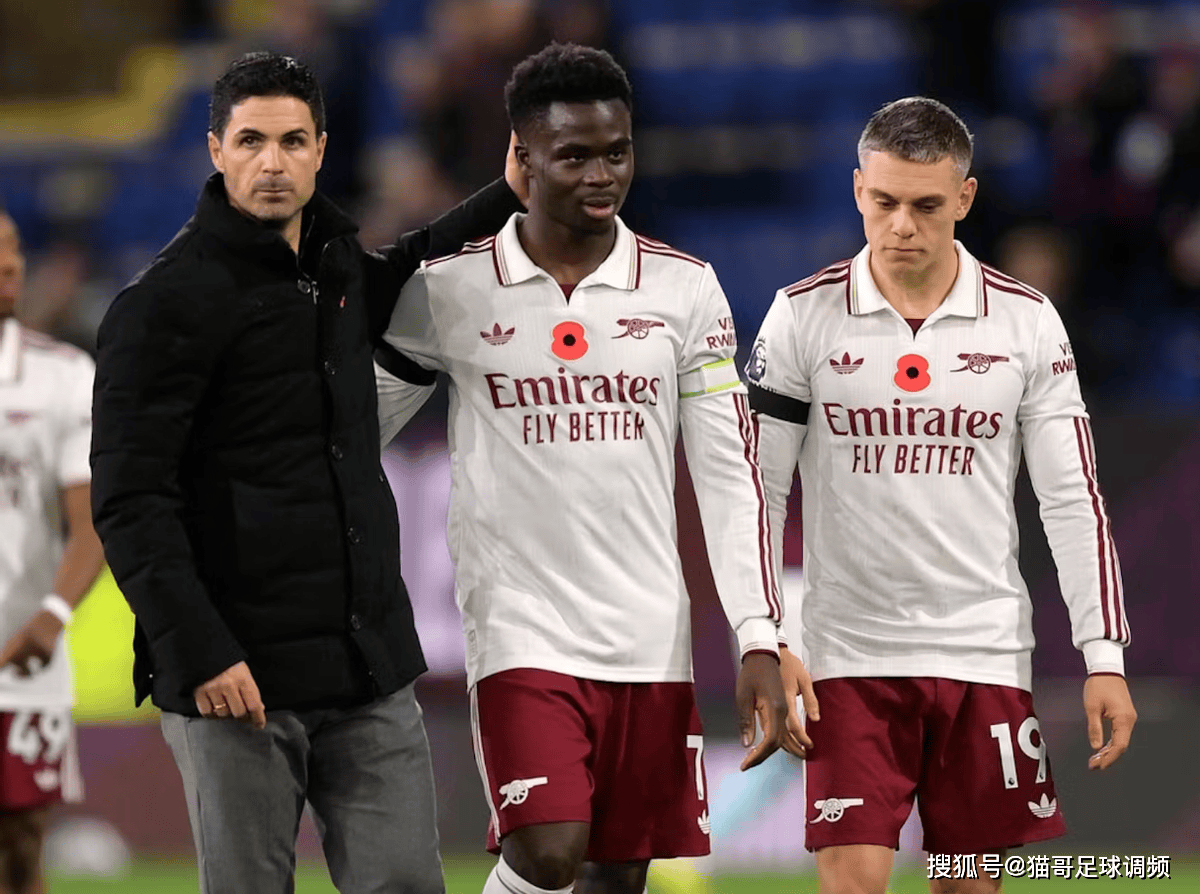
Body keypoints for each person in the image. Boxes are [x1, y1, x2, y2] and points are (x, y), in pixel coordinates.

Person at [89, 52, 523, 894]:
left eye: (292, 141)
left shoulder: (334, 269)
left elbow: (407, 264)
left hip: (366, 670)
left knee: (407, 885)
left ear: (321, 149)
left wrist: (505, 194)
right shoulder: (159, 307)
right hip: (237, 683)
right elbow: (130, 502)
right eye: (251, 141)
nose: (272, 162)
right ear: (215, 150)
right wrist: (201, 654)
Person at [377, 42, 788, 894]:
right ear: (521, 159)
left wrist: (758, 634)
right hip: (519, 627)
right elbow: (357, 424)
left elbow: (728, 472)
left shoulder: (683, 290)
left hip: (649, 635)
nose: (602, 176)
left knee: (615, 877)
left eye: (617, 153)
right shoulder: (451, 290)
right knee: (547, 851)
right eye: (574, 156)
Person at [746, 96, 1138, 894]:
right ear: (858, 190)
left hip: (984, 652)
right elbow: (756, 491)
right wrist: (769, 637)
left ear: (964, 198)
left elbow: (1073, 498)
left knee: (968, 885)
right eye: (884, 202)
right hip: (847, 656)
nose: (901, 226)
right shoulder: (801, 316)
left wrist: (1104, 656)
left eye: (926, 206)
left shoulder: (1027, 323)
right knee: (852, 883)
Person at [0, 209, 105, 894]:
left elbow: (91, 523)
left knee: (19, 845)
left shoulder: (63, 375)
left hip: (20, 654)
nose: (10, 263)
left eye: (14, 248)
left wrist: (52, 617)